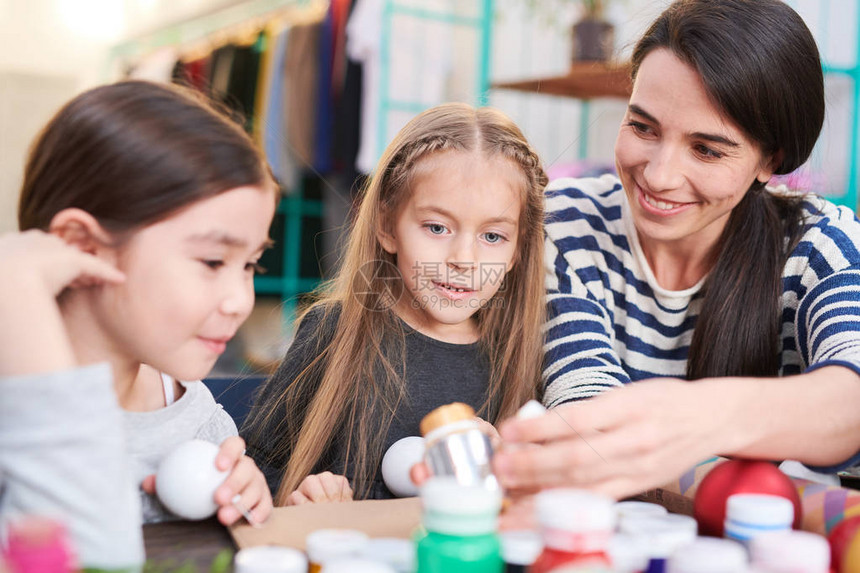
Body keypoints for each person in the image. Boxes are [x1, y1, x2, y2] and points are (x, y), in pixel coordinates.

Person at [492, 0, 860, 500]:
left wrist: (702, 417)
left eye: (706, 149)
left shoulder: (820, 245)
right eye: (642, 127)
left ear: (769, 160)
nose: (659, 175)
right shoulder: (566, 222)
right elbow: (592, 420)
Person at [0, 80, 276, 566]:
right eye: (213, 261)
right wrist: (15, 286)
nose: (240, 300)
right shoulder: (18, 416)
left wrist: (239, 500)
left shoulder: (193, 412)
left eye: (251, 264)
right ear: (82, 247)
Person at [243, 102, 548, 504]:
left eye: (493, 237)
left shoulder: (522, 356)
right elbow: (253, 470)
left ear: (518, 251)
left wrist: (511, 472)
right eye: (437, 227)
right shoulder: (334, 331)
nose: (463, 259)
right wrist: (298, 497)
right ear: (387, 226)